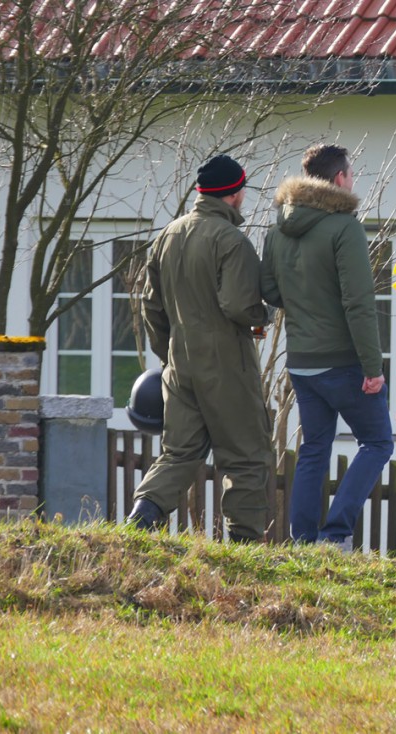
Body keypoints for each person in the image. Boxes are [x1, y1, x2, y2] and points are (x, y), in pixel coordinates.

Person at [126, 154, 273, 542]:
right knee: (245, 455)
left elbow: (150, 306)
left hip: (180, 364)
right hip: (227, 363)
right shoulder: (232, 241)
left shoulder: (167, 236)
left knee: (179, 451)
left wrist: (169, 353)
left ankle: (142, 516)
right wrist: (266, 313)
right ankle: (245, 545)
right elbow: (240, 306)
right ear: (236, 193)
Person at [260, 144, 393, 549]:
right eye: (351, 174)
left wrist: (306, 302)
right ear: (339, 178)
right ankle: (335, 534)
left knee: (314, 447)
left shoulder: (276, 228)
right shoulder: (344, 227)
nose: (353, 181)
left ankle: (302, 540)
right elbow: (358, 303)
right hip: (343, 361)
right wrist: (373, 367)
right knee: (378, 442)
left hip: (301, 361)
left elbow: (269, 290)